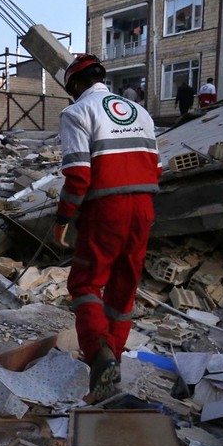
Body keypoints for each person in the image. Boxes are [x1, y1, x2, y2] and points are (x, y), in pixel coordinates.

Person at [52, 54, 161, 401]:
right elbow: (154, 166)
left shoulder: (77, 113)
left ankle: (98, 354)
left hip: (106, 208)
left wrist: (62, 219)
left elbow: (79, 175)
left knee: (85, 282)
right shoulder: (140, 112)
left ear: (74, 86)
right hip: (144, 206)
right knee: (123, 285)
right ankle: (112, 356)